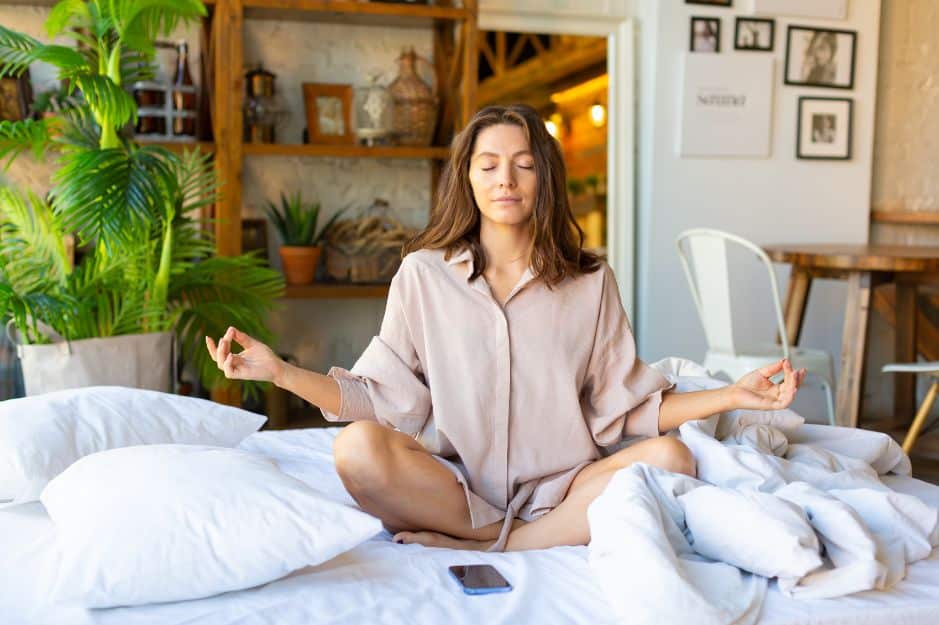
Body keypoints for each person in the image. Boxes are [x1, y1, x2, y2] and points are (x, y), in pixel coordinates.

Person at [206, 104, 805, 553]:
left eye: (522, 165)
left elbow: (626, 409)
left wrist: (733, 394)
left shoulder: (590, 281)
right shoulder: (422, 275)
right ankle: (497, 533)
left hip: (566, 490)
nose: (505, 180)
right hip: (456, 492)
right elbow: (377, 399)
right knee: (356, 449)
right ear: (466, 177)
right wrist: (279, 371)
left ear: (544, 177)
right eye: (488, 165)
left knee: (673, 458)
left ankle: (515, 545)